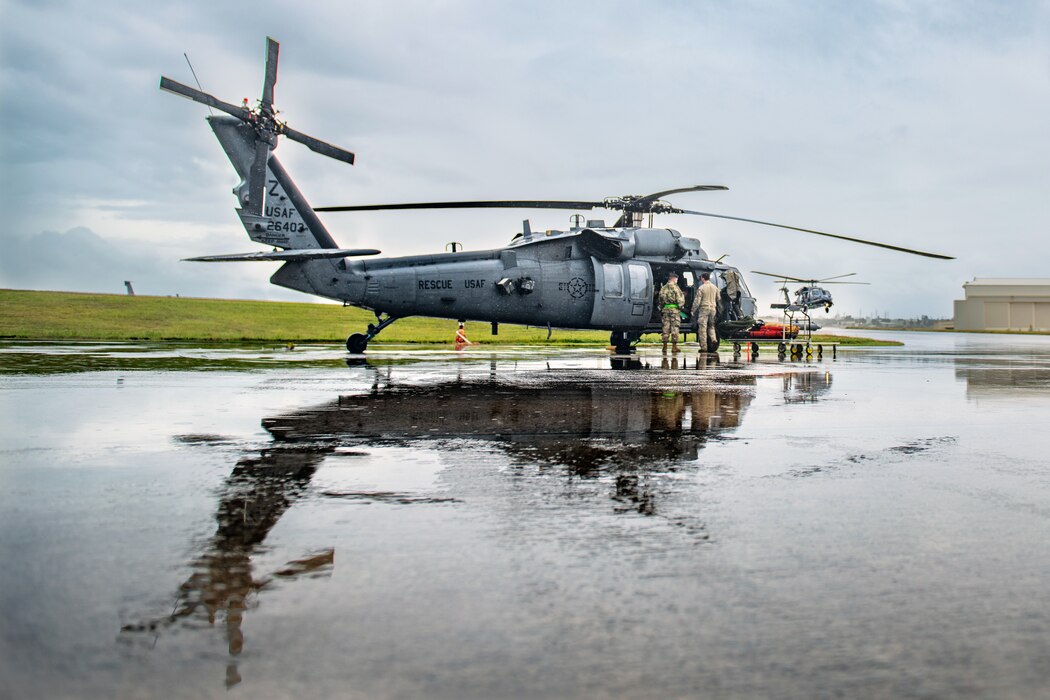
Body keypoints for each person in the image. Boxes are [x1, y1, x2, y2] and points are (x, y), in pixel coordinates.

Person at [657, 271, 685, 354]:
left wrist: (663, 307)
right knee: (675, 328)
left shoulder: (663, 288)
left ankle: (665, 346)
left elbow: (660, 300)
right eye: (676, 279)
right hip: (674, 311)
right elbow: (680, 301)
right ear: (674, 278)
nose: (677, 280)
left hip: (665, 310)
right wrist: (681, 308)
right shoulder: (676, 288)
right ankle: (674, 347)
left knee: (665, 328)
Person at [692, 271, 719, 353]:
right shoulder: (715, 287)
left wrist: (693, 310)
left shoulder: (701, 288)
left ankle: (704, 347)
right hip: (713, 309)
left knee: (702, 329)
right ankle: (714, 339)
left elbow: (697, 301)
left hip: (704, 309)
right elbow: (718, 298)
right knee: (711, 326)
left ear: (703, 278)